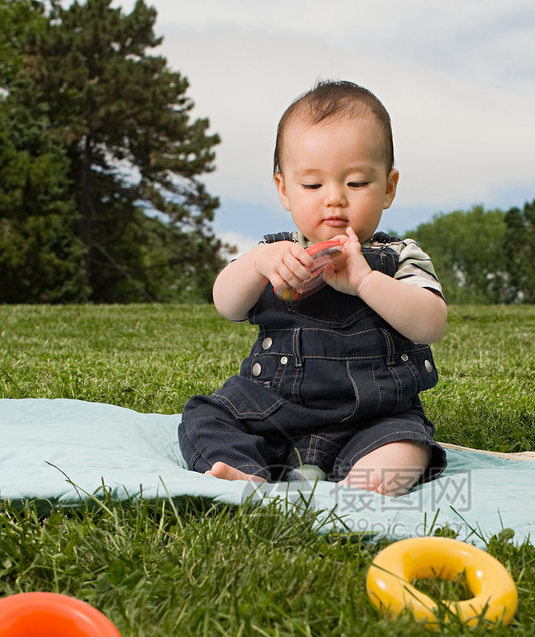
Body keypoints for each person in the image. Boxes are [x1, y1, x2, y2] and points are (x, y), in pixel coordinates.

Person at [179, 80, 448, 496]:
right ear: (284, 189)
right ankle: (243, 471)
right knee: (205, 416)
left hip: (372, 417)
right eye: (312, 185)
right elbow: (226, 304)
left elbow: (430, 323)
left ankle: (362, 485)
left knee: (406, 445)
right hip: (272, 407)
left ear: (389, 187)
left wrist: (364, 280)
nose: (335, 199)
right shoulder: (274, 254)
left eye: (356, 183)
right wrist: (257, 264)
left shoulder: (398, 257)